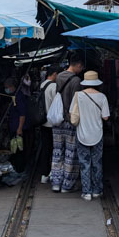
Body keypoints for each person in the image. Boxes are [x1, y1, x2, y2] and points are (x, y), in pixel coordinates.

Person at [70, 70, 109, 201]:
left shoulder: (78, 96)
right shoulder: (102, 97)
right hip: (97, 134)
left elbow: (72, 114)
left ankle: (86, 192)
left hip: (82, 134)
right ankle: (97, 190)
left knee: (84, 163)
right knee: (97, 163)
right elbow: (106, 117)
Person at [50, 57, 84, 193]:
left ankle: (56, 183)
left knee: (57, 152)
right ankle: (67, 185)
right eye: (81, 67)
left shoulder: (58, 77)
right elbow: (75, 103)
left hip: (57, 120)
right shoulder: (76, 81)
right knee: (70, 154)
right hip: (69, 121)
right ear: (78, 65)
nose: (81, 70)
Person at [38, 65, 60, 183]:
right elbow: (56, 104)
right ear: (54, 74)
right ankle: (53, 173)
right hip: (52, 123)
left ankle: (44, 174)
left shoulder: (42, 85)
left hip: (42, 121)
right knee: (55, 149)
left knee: (45, 148)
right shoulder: (54, 86)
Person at [4, 77, 29, 172]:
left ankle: (19, 169)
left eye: (7, 87)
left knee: (19, 149)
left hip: (18, 127)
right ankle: (16, 167)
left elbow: (22, 114)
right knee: (14, 148)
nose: (6, 89)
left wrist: (19, 128)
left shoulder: (19, 96)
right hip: (13, 126)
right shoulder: (13, 96)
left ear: (11, 87)